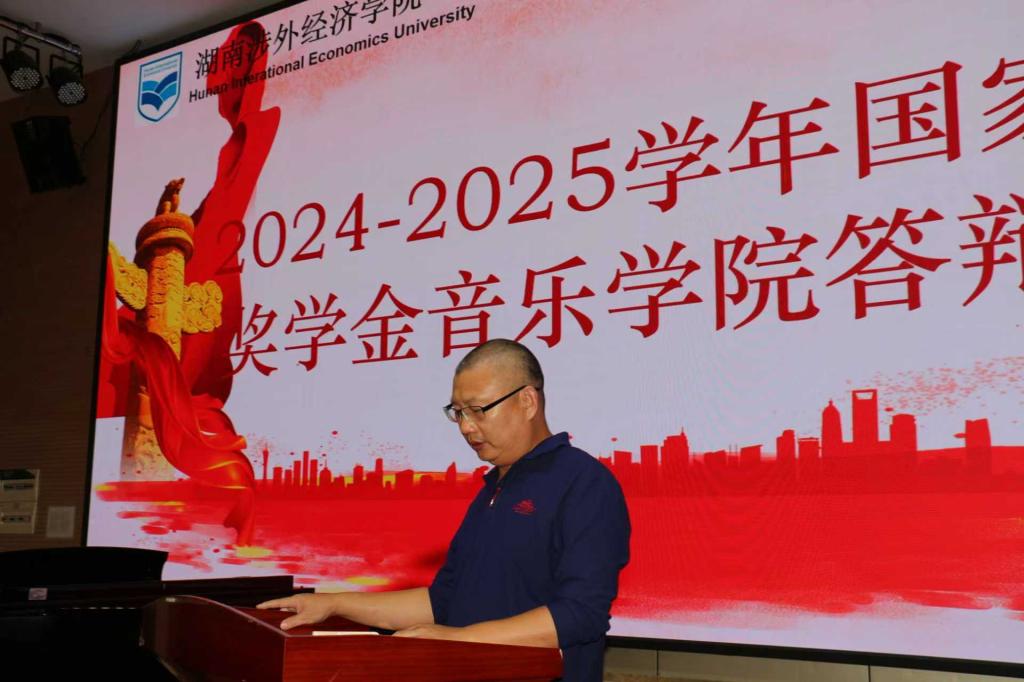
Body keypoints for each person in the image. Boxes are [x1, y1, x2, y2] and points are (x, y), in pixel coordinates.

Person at [258, 339, 630, 681]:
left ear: (527, 402)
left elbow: (580, 614)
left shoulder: (584, 483)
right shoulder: (492, 491)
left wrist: (457, 639)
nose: (466, 427)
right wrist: (333, 604)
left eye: (478, 411)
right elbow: (442, 602)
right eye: (458, 413)